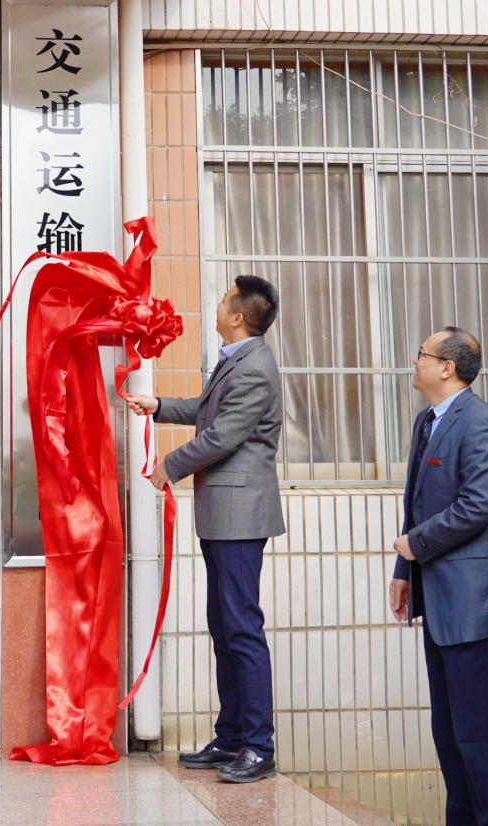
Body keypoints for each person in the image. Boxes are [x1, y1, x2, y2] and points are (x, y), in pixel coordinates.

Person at [125, 274, 285, 784]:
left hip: (240, 515)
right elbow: (206, 410)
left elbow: (223, 435)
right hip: (223, 514)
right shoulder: (237, 359)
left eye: (222, 300)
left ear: (238, 316)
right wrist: (158, 407)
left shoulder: (255, 367)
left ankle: (258, 746)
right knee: (225, 625)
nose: (216, 305)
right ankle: (232, 736)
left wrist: (169, 465)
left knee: (241, 628)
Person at [390, 327, 488, 825]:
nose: (415, 361)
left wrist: (416, 544)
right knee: (448, 735)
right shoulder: (428, 420)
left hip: (474, 603)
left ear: (447, 368)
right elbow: (418, 505)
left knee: (477, 738)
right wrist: (405, 570)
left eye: (421, 354)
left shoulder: (481, 423)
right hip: (441, 601)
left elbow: (478, 506)